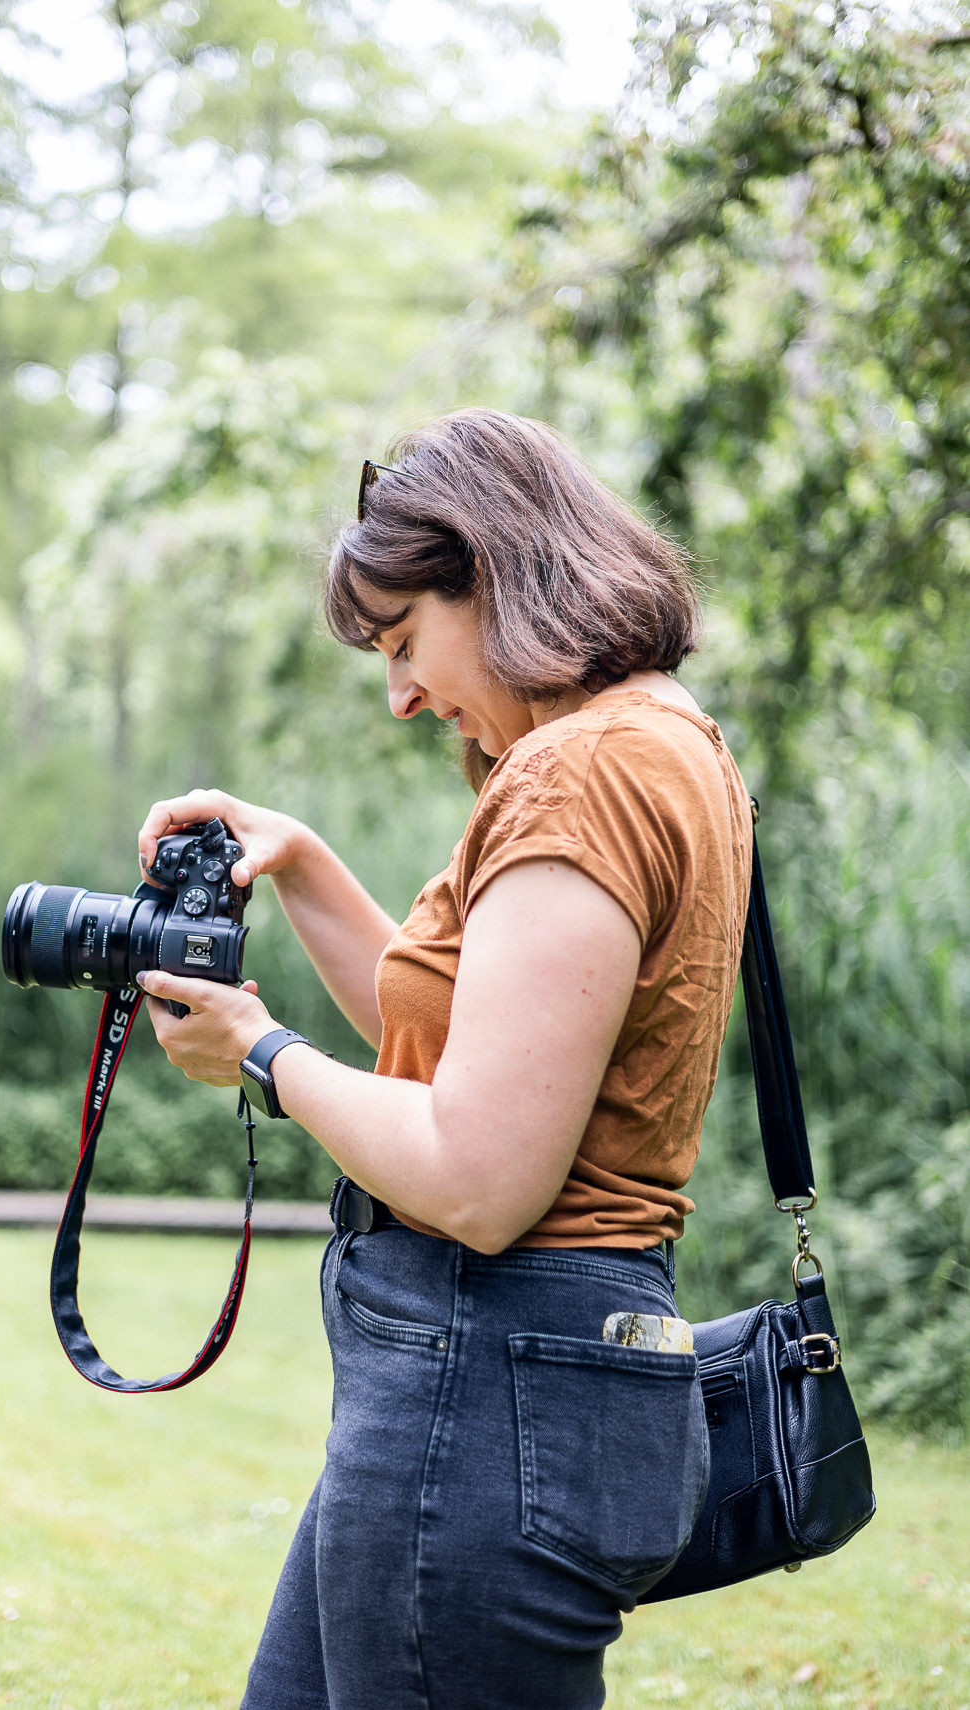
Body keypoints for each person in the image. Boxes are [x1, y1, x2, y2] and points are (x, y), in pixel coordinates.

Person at [134, 408, 753, 1710]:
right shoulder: (668, 742)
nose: (401, 691)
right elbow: (476, 1054)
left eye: (407, 641)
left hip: (485, 1397)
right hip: (527, 1391)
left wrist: (262, 1055)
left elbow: (479, 1174)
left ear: (501, 573)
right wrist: (297, 861)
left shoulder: (576, 781)